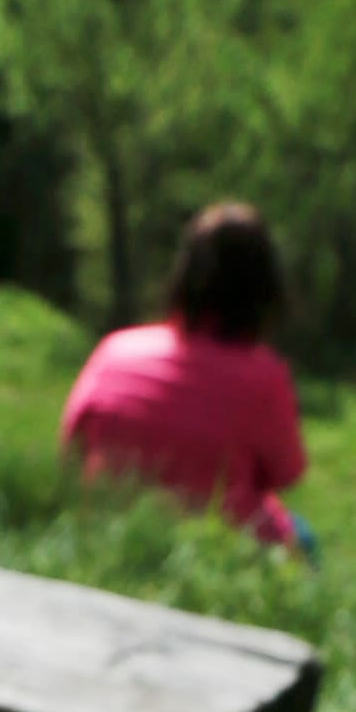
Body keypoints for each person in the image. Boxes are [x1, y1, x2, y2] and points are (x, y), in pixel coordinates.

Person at [60, 199, 310, 553]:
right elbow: (287, 473)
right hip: (214, 551)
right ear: (266, 289)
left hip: (107, 536)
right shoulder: (264, 377)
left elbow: (71, 449)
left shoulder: (116, 348)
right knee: (301, 536)